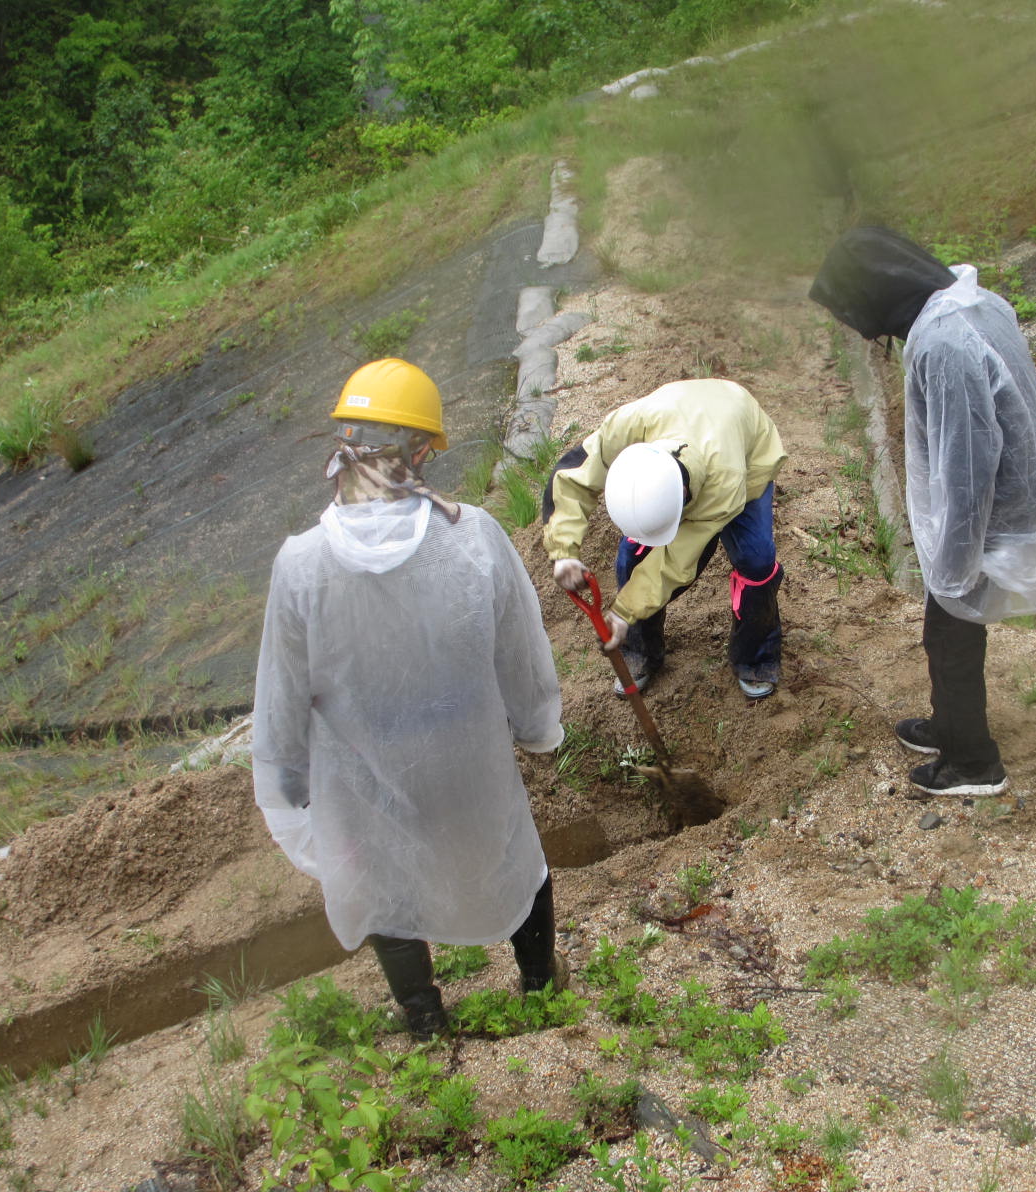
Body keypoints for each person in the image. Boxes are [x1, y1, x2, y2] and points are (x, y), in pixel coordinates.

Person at [251, 357, 568, 1039]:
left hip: (367, 769)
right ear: (421, 451)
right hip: (467, 756)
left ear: (344, 445)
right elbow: (522, 653)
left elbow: (280, 699)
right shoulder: (474, 537)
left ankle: (423, 1017)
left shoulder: (302, 567)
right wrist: (539, 728)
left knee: (385, 882)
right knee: (512, 856)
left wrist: (288, 783)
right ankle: (541, 990)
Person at [810, 227, 1036, 798]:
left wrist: (953, 561)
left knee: (949, 629)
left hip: (992, 507)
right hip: (1012, 490)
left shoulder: (943, 344)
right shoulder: (972, 302)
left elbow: (967, 465)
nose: (857, 327)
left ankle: (973, 763)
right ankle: (948, 726)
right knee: (948, 623)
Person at [541, 378, 788, 699]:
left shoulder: (725, 483)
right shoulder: (625, 428)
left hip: (746, 452)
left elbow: (675, 562)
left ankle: (756, 656)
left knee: (756, 562)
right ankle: (641, 650)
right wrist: (563, 551)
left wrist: (623, 612)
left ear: (684, 500)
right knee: (633, 556)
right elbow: (571, 479)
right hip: (679, 410)